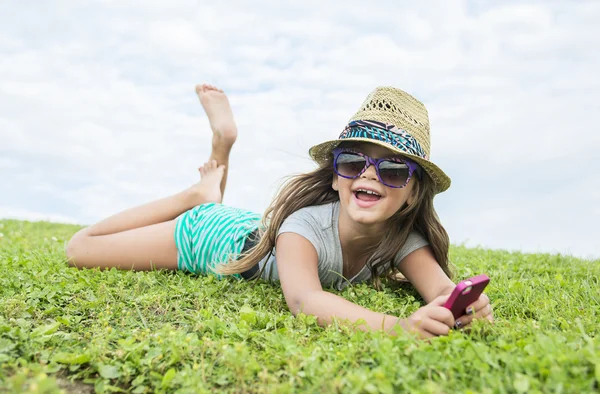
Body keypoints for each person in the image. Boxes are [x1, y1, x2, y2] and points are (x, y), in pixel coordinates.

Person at [66, 84, 494, 339]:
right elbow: (305, 299)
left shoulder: (405, 239)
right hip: (211, 240)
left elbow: (439, 287)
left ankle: (217, 158)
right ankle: (194, 198)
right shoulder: (302, 226)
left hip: (255, 233)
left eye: (394, 169)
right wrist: (397, 327)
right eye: (352, 162)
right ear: (334, 177)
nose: (370, 175)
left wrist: (462, 305)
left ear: (414, 195)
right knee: (80, 248)